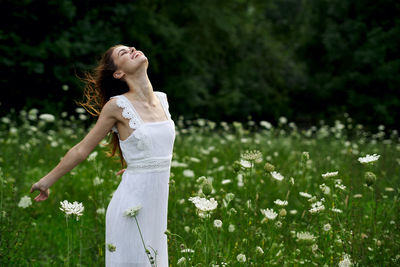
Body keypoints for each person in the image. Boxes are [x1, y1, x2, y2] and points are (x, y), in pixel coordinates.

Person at [30, 44, 176, 267]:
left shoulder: (162, 100)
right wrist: (46, 181)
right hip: (130, 210)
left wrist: (138, 164)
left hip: (156, 214)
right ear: (118, 73)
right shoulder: (116, 106)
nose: (132, 49)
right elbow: (81, 149)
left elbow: (155, 148)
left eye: (130, 47)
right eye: (123, 52)